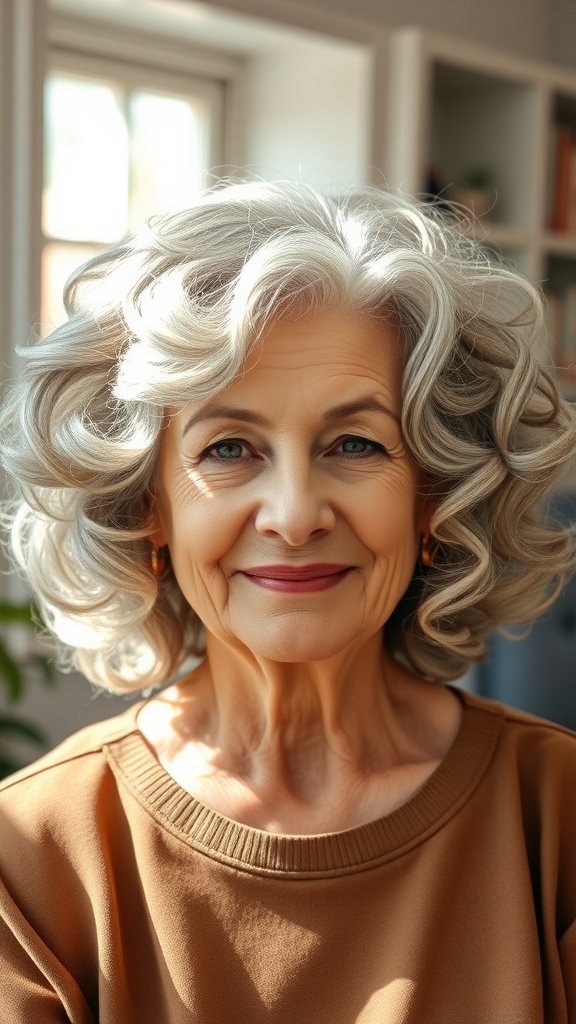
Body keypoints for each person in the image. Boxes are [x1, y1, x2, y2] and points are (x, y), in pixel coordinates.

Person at [0, 180, 575, 1024]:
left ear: (434, 496)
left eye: (356, 444)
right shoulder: (31, 853)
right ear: (147, 505)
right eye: (230, 448)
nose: (296, 515)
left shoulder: (557, 816)